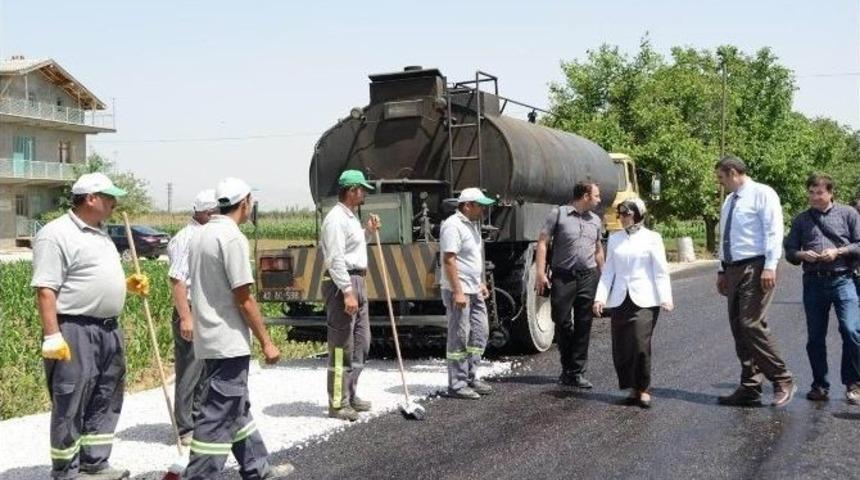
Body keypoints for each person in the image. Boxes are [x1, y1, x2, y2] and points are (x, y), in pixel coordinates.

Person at [31, 172, 139, 480]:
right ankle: (66, 470)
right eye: (109, 198)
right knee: (71, 397)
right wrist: (52, 335)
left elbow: (91, 276)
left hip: (108, 328)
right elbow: (46, 289)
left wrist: (127, 285)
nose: (114, 203)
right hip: (75, 329)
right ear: (90, 199)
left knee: (106, 394)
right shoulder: (56, 234)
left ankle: (95, 462)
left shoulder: (101, 232)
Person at [183, 177, 292, 480]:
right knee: (218, 413)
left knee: (236, 406)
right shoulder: (232, 238)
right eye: (251, 202)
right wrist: (267, 342)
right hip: (228, 339)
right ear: (244, 203)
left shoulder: (200, 234)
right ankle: (200, 475)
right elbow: (243, 298)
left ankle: (258, 467)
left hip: (210, 338)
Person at [715, 156, 796, 407]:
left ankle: (783, 380)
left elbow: (774, 230)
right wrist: (721, 269)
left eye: (721, 178)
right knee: (738, 327)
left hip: (756, 265)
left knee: (751, 323)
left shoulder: (762, 193)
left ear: (732, 172)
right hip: (732, 268)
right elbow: (724, 236)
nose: (720, 184)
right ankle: (750, 386)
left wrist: (770, 266)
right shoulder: (729, 201)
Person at [784, 174, 860, 404]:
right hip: (814, 282)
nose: (815, 197)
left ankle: (854, 383)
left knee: (851, 331)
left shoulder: (849, 214)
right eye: (811, 192)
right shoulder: (801, 220)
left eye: (819, 192)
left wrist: (839, 252)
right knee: (815, 337)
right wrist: (801, 254)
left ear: (830, 192)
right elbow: (789, 250)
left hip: (843, 280)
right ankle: (819, 384)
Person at [593, 198, 673, 408]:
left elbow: (660, 270)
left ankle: (644, 388)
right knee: (622, 346)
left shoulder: (652, 238)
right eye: (620, 214)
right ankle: (631, 387)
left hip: (646, 300)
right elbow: (608, 271)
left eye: (626, 214)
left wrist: (666, 297)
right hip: (620, 299)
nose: (622, 218)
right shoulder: (615, 238)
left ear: (638, 214)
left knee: (640, 344)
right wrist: (600, 297)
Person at [319, 170, 380, 421]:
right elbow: (335, 260)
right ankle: (337, 402)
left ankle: (351, 394)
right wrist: (347, 291)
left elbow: (351, 248)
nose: (364, 193)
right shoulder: (335, 219)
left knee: (361, 343)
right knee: (341, 348)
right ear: (351, 190)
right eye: (362, 189)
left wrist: (367, 231)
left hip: (358, 280)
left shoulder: (351, 217)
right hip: (342, 283)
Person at [535, 181, 604, 388]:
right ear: (585, 196)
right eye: (597, 196)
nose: (599, 200)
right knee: (562, 321)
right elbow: (542, 242)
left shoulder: (596, 220)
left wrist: (607, 278)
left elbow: (598, 249)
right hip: (563, 276)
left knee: (584, 324)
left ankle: (576, 372)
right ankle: (567, 367)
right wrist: (540, 272)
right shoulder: (558, 214)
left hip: (587, 276)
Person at [165, 189, 218, 445]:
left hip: (206, 311)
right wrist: (186, 319)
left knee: (204, 369)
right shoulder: (185, 239)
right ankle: (185, 426)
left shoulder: (205, 235)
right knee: (189, 370)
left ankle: (199, 419)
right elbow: (177, 281)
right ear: (204, 212)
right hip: (190, 311)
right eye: (213, 212)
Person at [440, 187, 497, 399]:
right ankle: (456, 384)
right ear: (467, 205)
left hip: (474, 289)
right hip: (460, 291)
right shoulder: (452, 226)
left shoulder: (472, 225)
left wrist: (481, 281)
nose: (483, 209)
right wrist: (458, 291)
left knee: (481, 331)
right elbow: (449, 259)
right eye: (480, 205)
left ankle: (472, 376)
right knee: (459, 337)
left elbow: (473, 258)